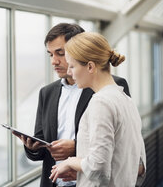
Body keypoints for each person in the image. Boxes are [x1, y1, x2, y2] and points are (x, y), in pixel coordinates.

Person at [14, 23, 130, 187]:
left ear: (78, 49)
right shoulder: (46, 93)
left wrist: (76, 148)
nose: (54, 61)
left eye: (60, 53)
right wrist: (32, 147)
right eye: (50, 54)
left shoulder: (111, 88)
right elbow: (41, 150)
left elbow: (123, 145)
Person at [49, 32, 146, 186]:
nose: (69, 72)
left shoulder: (101, 102)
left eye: (72, 66)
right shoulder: (125, 100)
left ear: (90, 66)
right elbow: (138, 165)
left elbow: (98, 168)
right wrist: (84, 172)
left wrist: (72, 162)